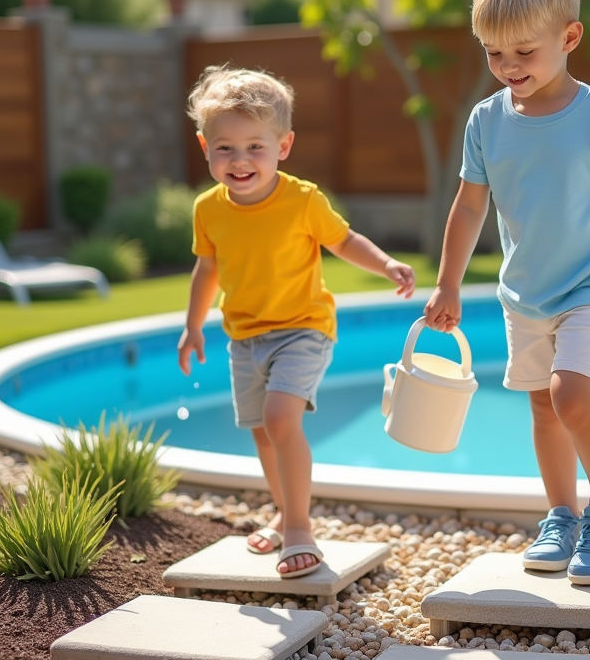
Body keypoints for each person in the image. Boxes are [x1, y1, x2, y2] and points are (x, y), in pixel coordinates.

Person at [423, 0, 590, 585]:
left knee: (571, 397)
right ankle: (562, 513)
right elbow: (470, 207)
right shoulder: (486, 120)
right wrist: (447, 281)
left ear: (570, 36)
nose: (508, 66)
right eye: (494, 53)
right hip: (523, 294)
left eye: (524, 52)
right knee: (542, 410)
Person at [178, 64, 416, 579]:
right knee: (264, 434)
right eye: (225, 148)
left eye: (254, 147)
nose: (240, 161)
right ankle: (285, 512)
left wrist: (386, 264)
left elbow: (343, 240)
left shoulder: (303, 200)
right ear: (205, 147)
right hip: (243, 337)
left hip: (303, 328)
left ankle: (301, 529)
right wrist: (193, 325)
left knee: (282, 420)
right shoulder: (208, 209)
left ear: (283, 146)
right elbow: (208, 267)